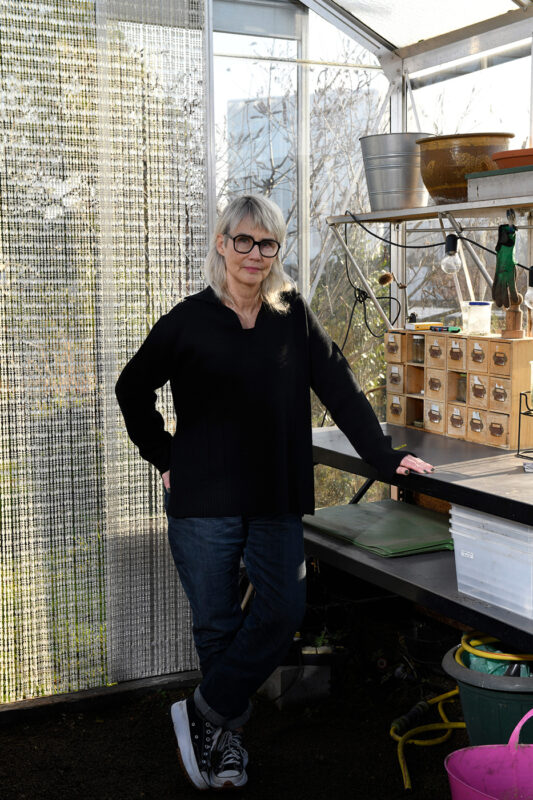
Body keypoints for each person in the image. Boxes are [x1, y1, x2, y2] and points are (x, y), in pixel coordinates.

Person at [115, 194, 433, 791]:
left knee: (283, 609)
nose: (255, 255)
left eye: (268, 244)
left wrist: (388, 461)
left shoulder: (292, 316)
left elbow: (341, 391)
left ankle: (203, 713)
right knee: (215, 625)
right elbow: (131, 389)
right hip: (202, 498)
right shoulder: (187, 320)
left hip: (274, 494)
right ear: (221, 243)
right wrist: (164, 456)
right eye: (244, 241)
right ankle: (227, 743)